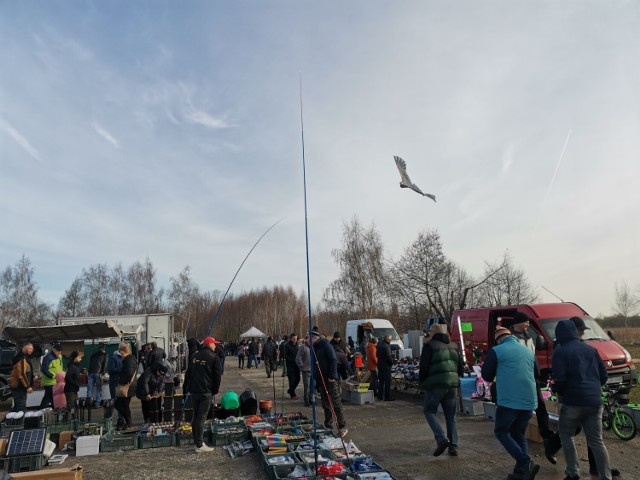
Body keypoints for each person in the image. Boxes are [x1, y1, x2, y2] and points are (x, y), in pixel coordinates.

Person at [553, 319, 612, 480]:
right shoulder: (591, 350)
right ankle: (605, 476)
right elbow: (603, 376)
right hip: (594, 402)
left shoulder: (560, 351)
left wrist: (558, 390)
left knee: (566, 435)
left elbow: (559, 378)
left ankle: (573, 473)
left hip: (572, 401)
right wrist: (592, 389)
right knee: (596, 440)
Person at [482, 326, 539, 480]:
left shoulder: (497, 350)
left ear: (499, 339)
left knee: (501, 432)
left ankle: (525, 462)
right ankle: (522, 473)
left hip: (509, 401)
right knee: (519, 433)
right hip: (529, 400)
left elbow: (486, 375)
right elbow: (537, 373)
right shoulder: (527, 351)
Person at [507, 313, 554, 455]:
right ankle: (515, 432)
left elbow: (532, 356)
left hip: (531, 376)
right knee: (519, 406)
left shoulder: (528, 337)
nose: (528, 324)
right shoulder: (511, 338)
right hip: (519, 377)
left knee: (540, 404)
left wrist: (537, 372)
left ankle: (546, 433)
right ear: (518, 323)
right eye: (526, 322)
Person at [419, 323, 464, 457]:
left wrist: (422, 381)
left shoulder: (430, 346)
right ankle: (453, 446)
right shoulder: (454, 346)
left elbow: (424, 367)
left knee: (429, 411)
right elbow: (460, 367)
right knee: (451, 417)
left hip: (435, 385)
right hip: (452, 385)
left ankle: (441, 439)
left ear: (432, 332)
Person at [184, 336, 222, 453]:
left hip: (194, 391)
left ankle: (196, 442)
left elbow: (188, 374)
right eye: (214, 344)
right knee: (201, 418)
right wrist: (215, 390)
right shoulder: (214, 358)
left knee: (195, 417)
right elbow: (217, 377)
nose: (215, 345)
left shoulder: (194, 356)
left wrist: (186, 388)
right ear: (209, 344)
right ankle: (199, 445)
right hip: (205, 391)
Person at [311, 331, 348, 437]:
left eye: (309, 338)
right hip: (321, 379)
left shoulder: (326, 346)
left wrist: (332, 376)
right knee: (325, 403)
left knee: (335, 403)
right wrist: (316, 378)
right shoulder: (314, 348)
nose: (307, 341)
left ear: (315, 338)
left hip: (330, 379)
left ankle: (342, 426)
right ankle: (328, 425)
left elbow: (333, 360)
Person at [114, 343, 138, 431]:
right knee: (124, 405)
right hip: (130, 386)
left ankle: (129, 422)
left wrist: (122, 381)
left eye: (120, 353)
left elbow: (129, 373)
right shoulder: (131, 359)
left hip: (127, 386)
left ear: (122, 352)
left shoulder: (129, 360)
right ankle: (128, 423)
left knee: (118, 404)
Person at [9, 342, 34, 412]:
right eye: (30, 348)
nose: (31, 350)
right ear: (24, 347)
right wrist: (28, 386)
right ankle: (20, 421)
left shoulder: (23, 358)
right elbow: (22, 374)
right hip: (19, 387)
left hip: (19, 386)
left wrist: (33, 376)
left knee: (18, 406)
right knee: (21, 408)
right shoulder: (21, 359)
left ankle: (15, 421)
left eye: (32, 349)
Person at [40, 343, 64, 408]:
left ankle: (56, 409)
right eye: (58, 350)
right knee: (48, 397)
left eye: (60, 351)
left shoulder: (59, 356)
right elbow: (44, 369)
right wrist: (53, 376)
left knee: (52, 397)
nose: (59, 352)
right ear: (53, 349)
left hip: (56, 382)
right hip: (49, 382)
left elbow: (59, 367)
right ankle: (42, 411)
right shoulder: (47, 358)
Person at [64, 351, 83, 418]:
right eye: (79, 357)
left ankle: (73, 419)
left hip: (73, 389)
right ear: (75, 357)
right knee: (71, 405)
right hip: (70, 389)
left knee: (74, 405)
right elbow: (67, 377)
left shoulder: (75, 366)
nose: (80, 359)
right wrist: (75, 383)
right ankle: (70, 419)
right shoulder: (72, 366)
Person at [87, 343, 107, 407]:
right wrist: (103, 373)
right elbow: (104, 365)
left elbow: (90, 364)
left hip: (90, 373)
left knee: (89, 389)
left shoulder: (93, 355)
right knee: (99, 389)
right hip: (98, 373)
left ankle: (89, 403)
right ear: (104, 349)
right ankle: (97, 403)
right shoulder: (105, 355)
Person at [376, 335, 395, 401]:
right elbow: (388, 356)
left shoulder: (379, 345)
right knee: (387, 382)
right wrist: (392, 362)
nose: (390, 341)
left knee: (381, 382)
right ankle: (387, 396)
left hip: (380, 365)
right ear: (387, 339)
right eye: (390, 339)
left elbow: (377, 355)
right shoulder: (386, 346)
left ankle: (379, 396)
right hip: (386, 366)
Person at [295, 335, 312, 406]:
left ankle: (311, 399)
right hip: (306, 370)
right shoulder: (303, 347)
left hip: (313, 370)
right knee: (307, 386)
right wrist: (302, 366)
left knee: (312, 386)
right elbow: (298, 358)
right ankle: (306, 400)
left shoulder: (314, 347)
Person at [284, 333, 300, 398]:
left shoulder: (297, 345)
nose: (295, 340)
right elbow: (284, 355)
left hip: (297, 365)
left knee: (298, 379)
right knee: (292, 380)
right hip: (290, 365)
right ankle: (292, 394)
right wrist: (290, 359)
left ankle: (291, 390)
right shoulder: (287, 345)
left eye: (296, 338)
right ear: (291, 338)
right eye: (294, 339)